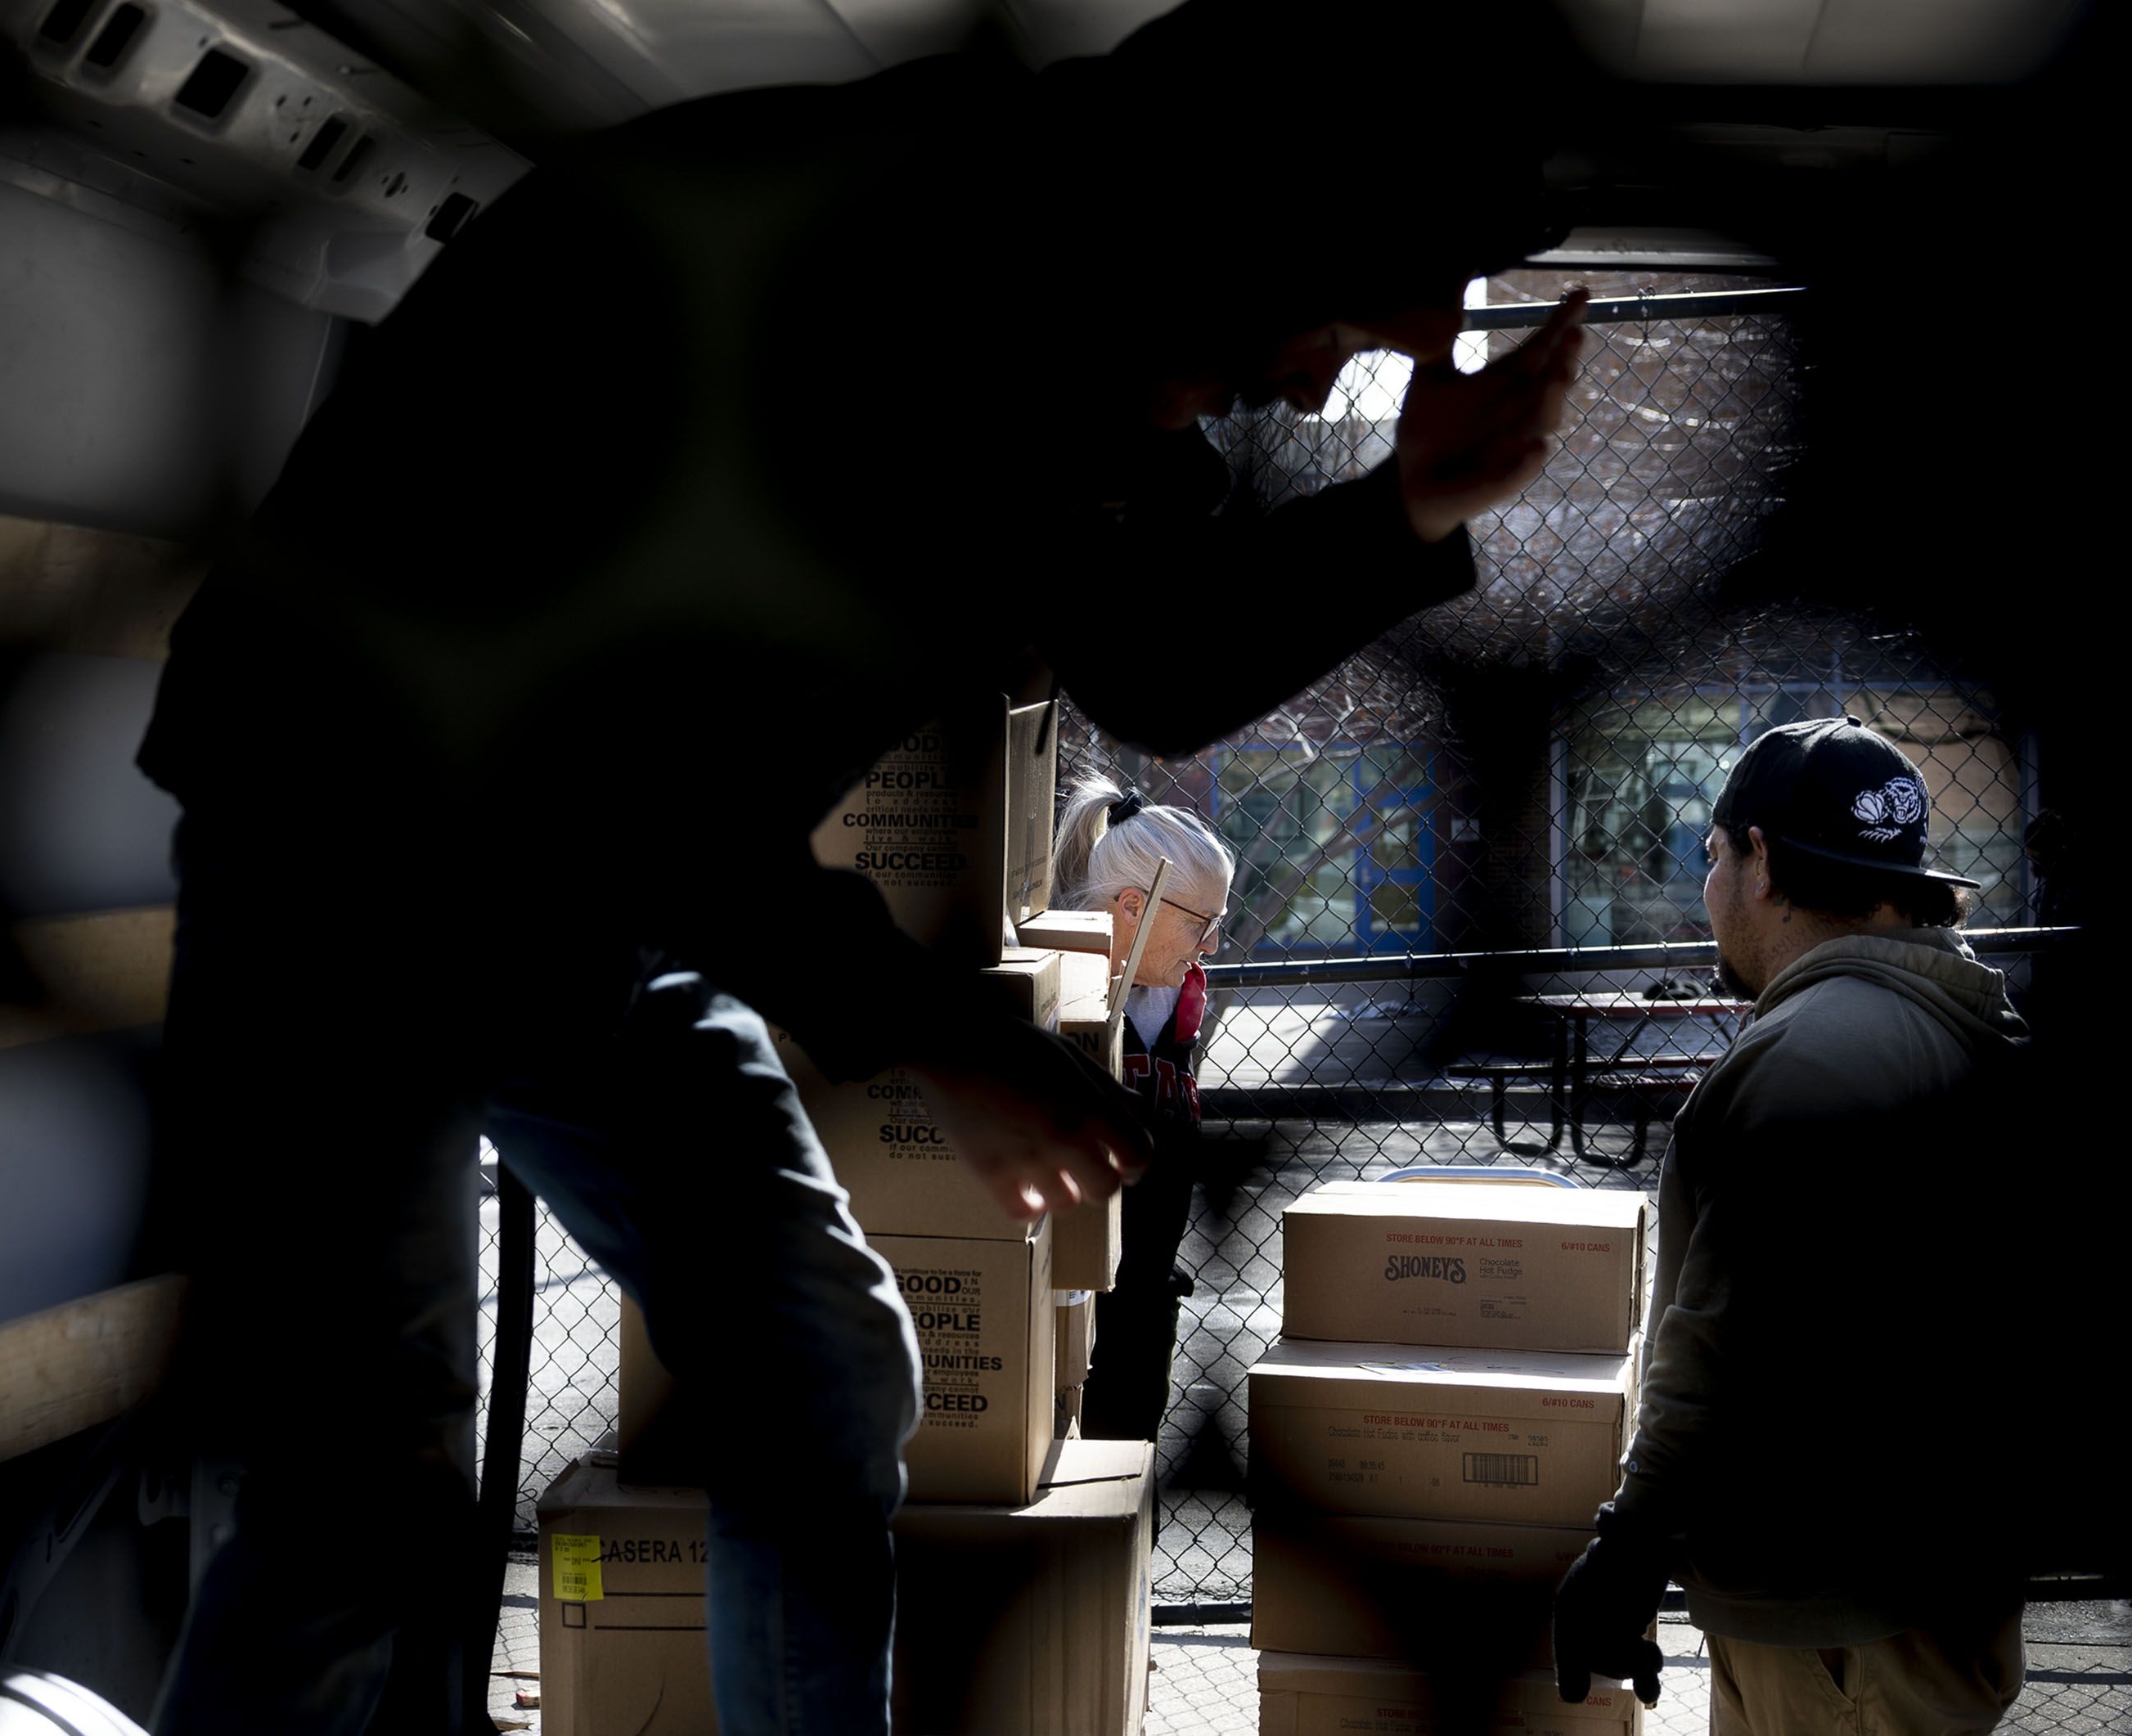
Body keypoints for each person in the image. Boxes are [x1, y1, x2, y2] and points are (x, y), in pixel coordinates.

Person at [134, 2, 1596, 1729]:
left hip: (580, 897)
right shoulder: (857, 282)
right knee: (357, 1487)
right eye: (1356, 310)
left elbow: (1146, 659)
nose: (1354, 369)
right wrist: (939, 1035)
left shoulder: (1056, 327)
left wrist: (1409, 506)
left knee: (818, 1363)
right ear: (1244, 220)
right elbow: (633, 773)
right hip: (351, 851)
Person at [1551, 715, 2035, 1736]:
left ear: (1762, 859)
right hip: (1930, 1591)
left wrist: (1630, 1547)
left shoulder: (1808, 1058)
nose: (1707, 887)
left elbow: (1726, 1338)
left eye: (1713, 854)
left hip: (1835, 1627)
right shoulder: (1957, 1030)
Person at [1048, 776, 1236, 1441]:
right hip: (1070, 1311)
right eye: (1200, 924)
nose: (1212, 945)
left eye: (1218, 923)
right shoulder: (1061, 1001)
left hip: (1146, 1304)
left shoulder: (1175, 999)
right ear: (1134, 905)